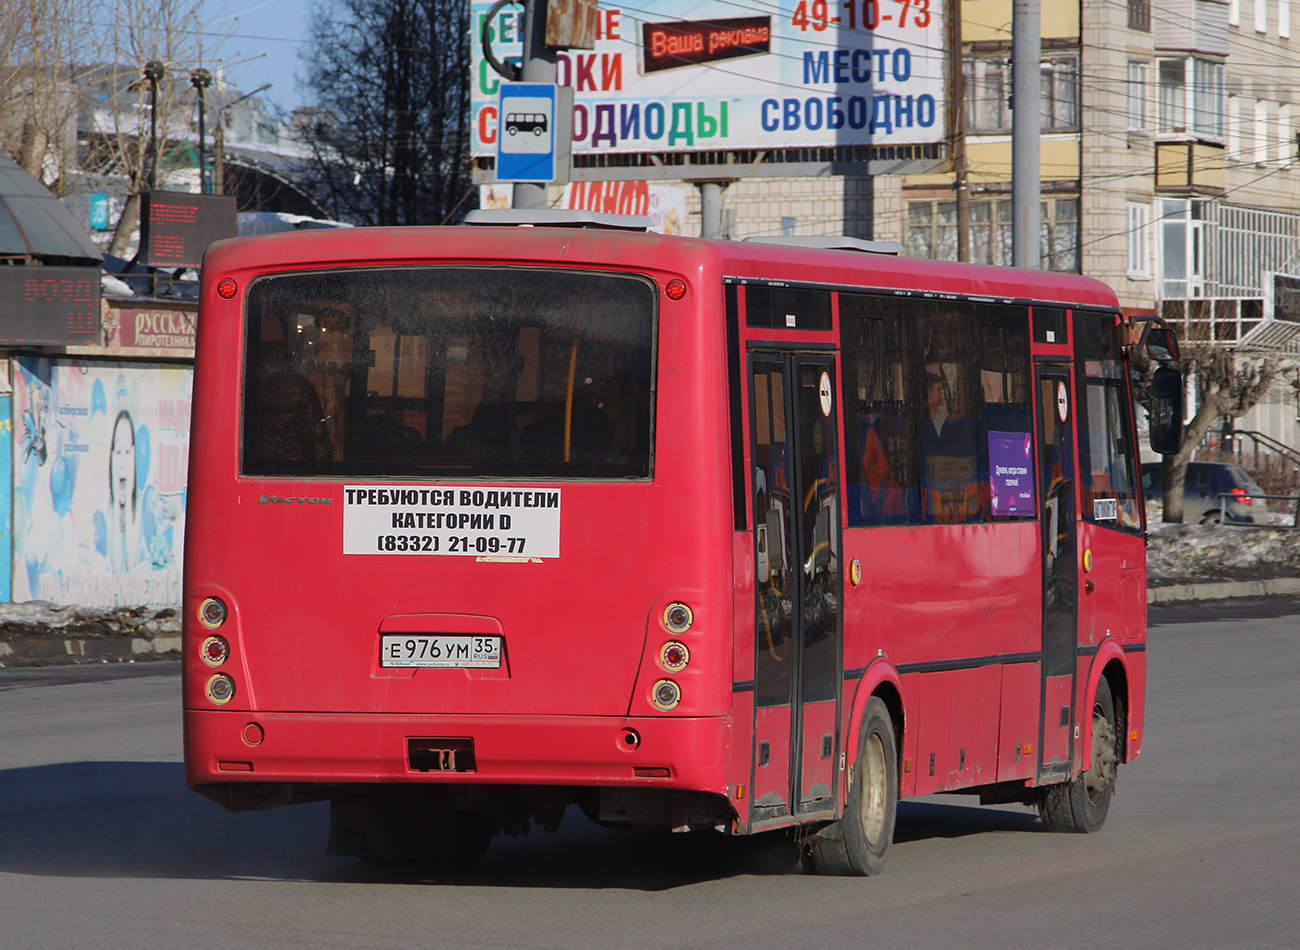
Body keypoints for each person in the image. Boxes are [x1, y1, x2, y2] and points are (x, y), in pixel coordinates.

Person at [255, 340, 333, 462]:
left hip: (258, 465)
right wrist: (326, 468)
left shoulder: (252, 386)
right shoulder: (300, 386)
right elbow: (317, 435)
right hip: (294, 464)